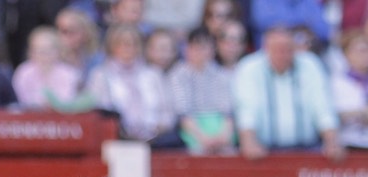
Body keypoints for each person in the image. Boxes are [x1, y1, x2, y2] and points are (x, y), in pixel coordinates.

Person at [234, 24, 343, 159]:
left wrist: (332, 141)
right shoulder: (249, 68)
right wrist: (249, 142)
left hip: (309, 150)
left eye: (287, 49)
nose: (283, 55)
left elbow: (322, 106)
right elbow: (247, 109)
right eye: (277, 50)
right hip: (264, 152)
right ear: (265, 49)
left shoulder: (310, 65)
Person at [84, 23, 180, 145]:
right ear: (112, 46)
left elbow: (168, 112)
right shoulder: (100, 75)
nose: (129, 48)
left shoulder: (153, 74)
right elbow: (98, 110)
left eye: (134, 43)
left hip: (155, 141)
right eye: (123, 43)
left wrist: (159, 128)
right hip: (117, 141)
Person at [166, 25, 236, 153]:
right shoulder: (178, 75)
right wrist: (204, 139)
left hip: (219, 127)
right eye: (195, 47)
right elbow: (183, 115)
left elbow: (228, 114)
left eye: (204, 47)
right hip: (192, 129)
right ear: (187, 49)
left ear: (213, 49)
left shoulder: (222, 75)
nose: (200, 52)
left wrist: (223, 137)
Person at [11, 24, 81, 108]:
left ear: (58, 51)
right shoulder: (23, 72)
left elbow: (69, 100)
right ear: (31, 52)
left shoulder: (70, 73)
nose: (44, 55)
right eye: (39, 51)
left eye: (48, 51)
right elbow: (19, 100)